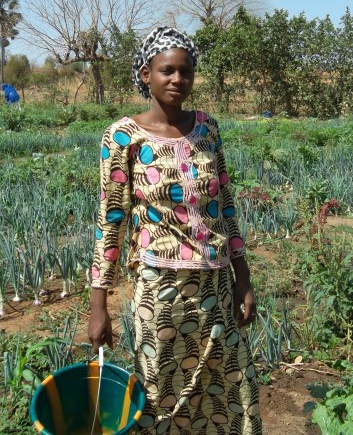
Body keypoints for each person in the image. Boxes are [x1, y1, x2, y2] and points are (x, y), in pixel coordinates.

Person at [88, 26, 262, 434]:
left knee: (229, 387)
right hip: (160, 290)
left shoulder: (207, 129)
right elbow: (110, 223)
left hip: (216, 285)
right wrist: (99, 306)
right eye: (167, 70)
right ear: (146, 74)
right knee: (160, 390)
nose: (177, 80)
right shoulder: (122, 137)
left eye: (185, 72)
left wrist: (243, 278)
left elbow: (226, 207)